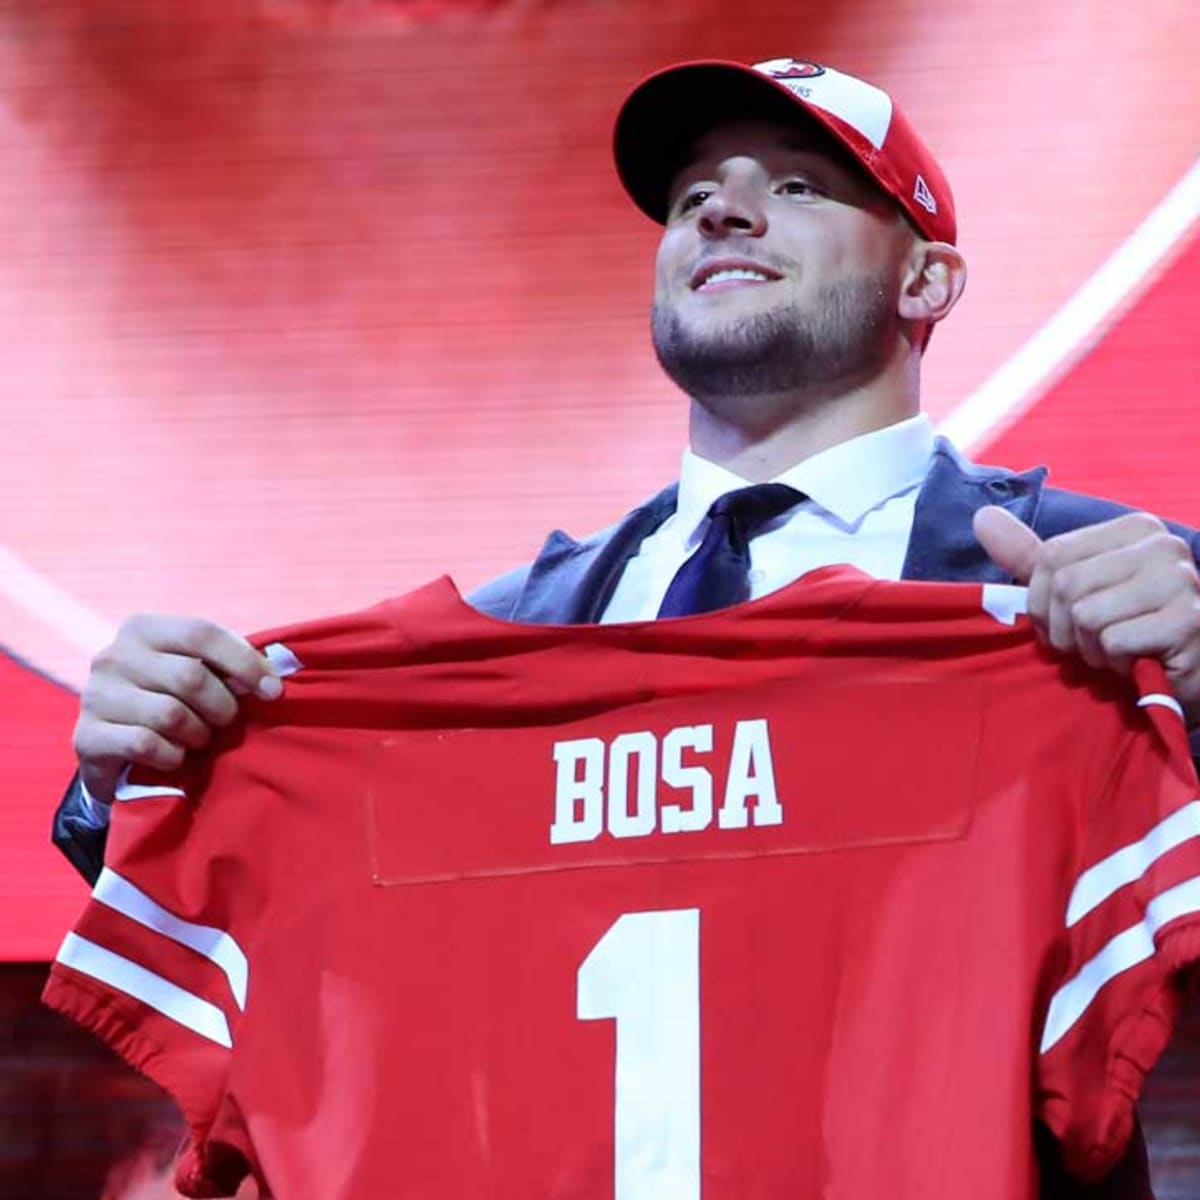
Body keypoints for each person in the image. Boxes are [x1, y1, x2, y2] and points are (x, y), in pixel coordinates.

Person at [50, 56, 1200, 1198]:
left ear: (928, 278)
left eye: (797, 185)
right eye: (693, 194)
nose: (722, 211)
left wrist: (1191, 681)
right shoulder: (509, 633)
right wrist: (140, 770)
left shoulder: (1103, 589)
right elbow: (298, 912)